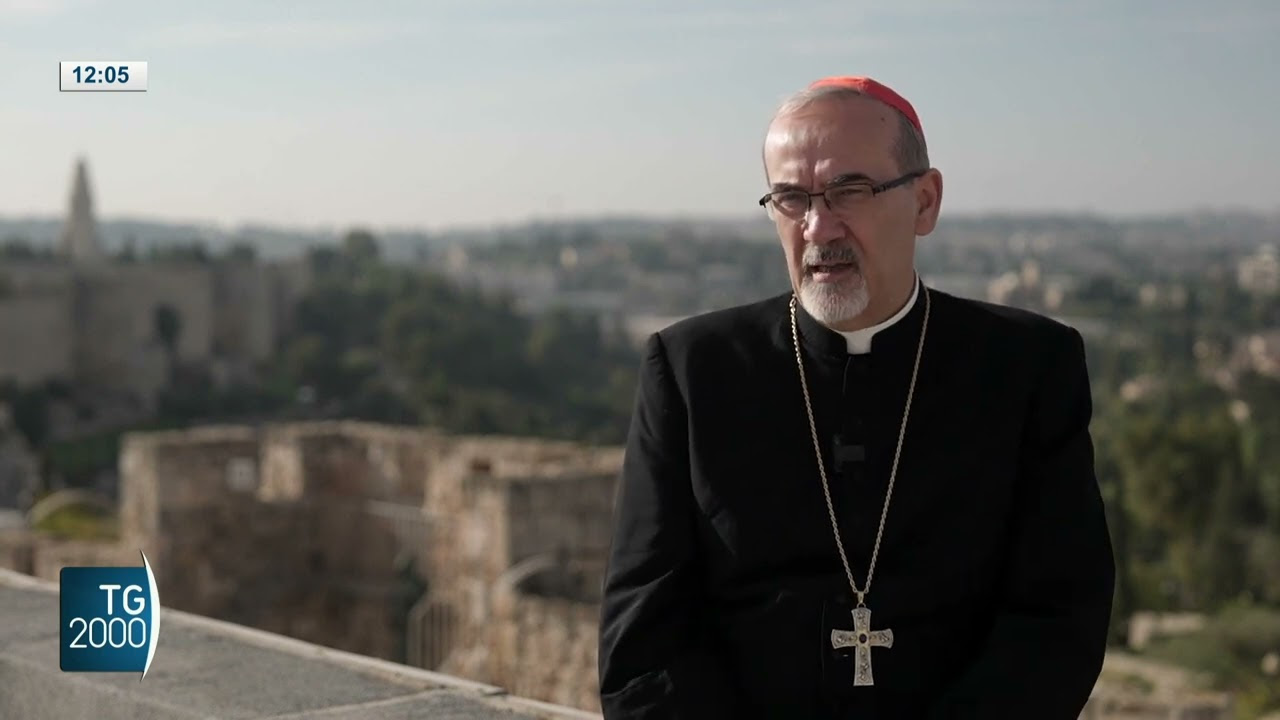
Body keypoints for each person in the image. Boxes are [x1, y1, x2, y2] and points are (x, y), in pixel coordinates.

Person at [597, 75, 1116, 719]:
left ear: (925, 201)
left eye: (850, 191)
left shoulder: (1029, 366)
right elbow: (644, 644)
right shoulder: (690, 370)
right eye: (791, 198)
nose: (818, 227)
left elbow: (1059, 617)